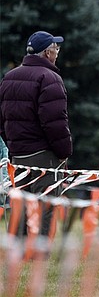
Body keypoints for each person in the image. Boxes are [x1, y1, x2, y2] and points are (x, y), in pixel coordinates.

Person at [0, 30, 72, 240]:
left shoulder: (9, 78)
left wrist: (13, 146)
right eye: (55, 48)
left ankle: (18, 251)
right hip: (44, 155)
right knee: (45, 206)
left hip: (18, 156)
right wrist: (63, 152)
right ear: (47, 52)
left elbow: (2, 120)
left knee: (20, 206)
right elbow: (55, 122)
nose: (57, 52)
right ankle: (39, 254)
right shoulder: (50, 78)